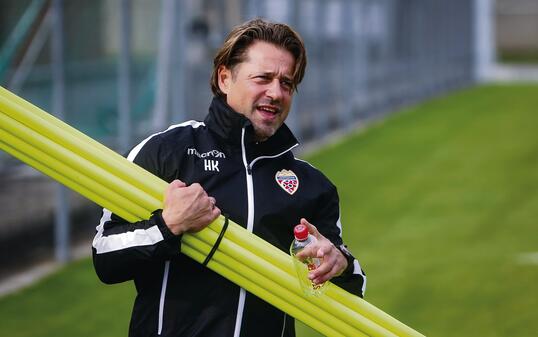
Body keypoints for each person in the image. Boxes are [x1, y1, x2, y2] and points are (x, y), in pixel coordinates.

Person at [92, 18, 366, 337]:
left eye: (286, 83)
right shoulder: (168, 152)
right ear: (225, 78)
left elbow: (354, 291)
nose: (276, 93)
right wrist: (168, 226)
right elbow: (105, 256)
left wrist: (340, 264)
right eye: (263, 78)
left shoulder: (312, 185)